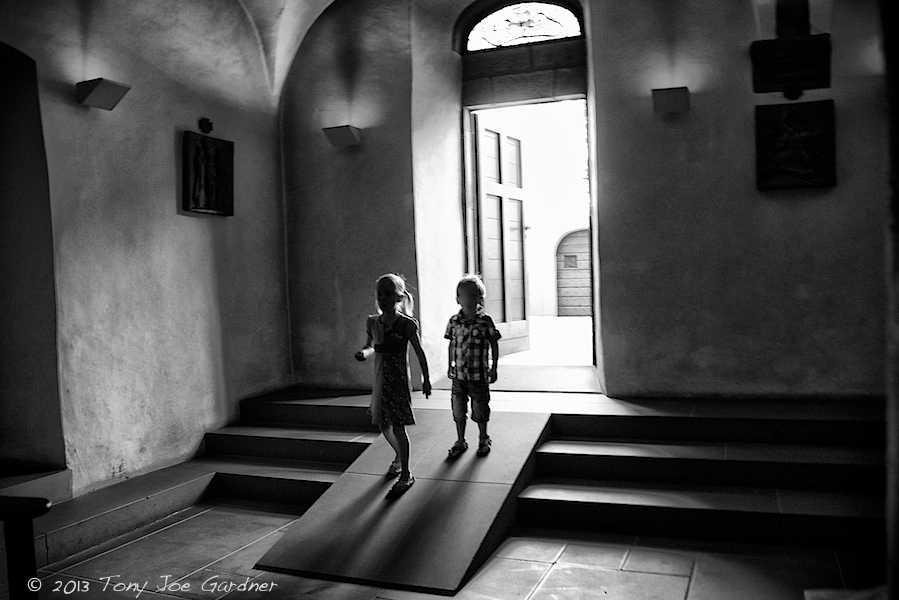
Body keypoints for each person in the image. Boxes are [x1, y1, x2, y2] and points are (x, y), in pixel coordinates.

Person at [355, 273, 431, 495]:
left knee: (398, 426)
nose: (383, 298)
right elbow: (371, 346)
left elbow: (419, 352)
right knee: (383, 426)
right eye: (380, 293)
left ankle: (406, 472)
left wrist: (426, 378)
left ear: (399, 297)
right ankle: (399, 456)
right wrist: (364, 353)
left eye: (388, 293)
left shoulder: (406, 324)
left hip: (397, 381)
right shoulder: (373, 322)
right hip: (381, 380)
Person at [444, 275, 501, 459]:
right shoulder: (454, 321)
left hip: (479, 376)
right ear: (457, 298)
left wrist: (494, 367)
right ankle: (460, 440)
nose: (467, 299)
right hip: (459, 376)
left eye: (472, 295)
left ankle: (483, 437)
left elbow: (494, 343)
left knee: (481, 409)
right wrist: (450, 363)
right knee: (458, 410)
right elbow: (451, 343)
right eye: (464, 295)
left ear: (479, 298)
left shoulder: (485, 321)